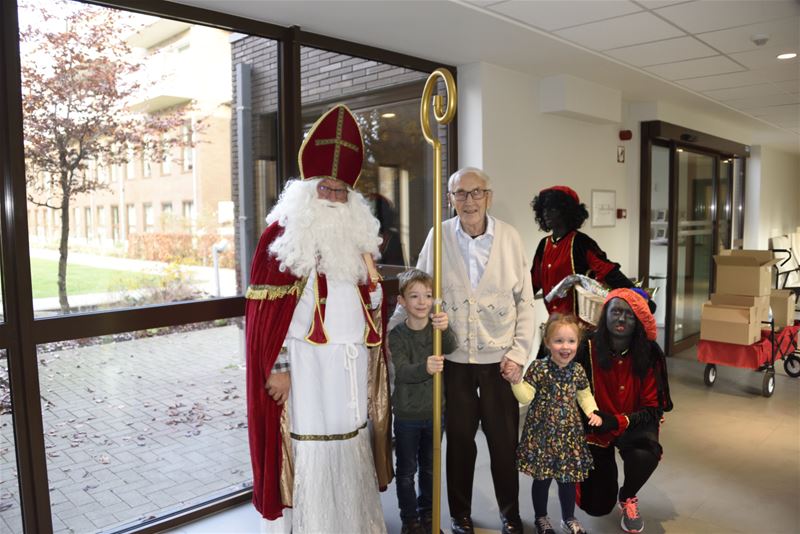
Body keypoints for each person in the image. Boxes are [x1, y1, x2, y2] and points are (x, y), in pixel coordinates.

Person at [244, 104, 392, 533]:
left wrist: (377, 288)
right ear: (306, 190)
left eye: (341, 190)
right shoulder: (282, 237)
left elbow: (371, 308)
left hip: (350, 366)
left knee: (350, 444)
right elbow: (264, 321)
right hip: (306, 367)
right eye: (324, 188)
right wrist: (279, 367)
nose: (332, 197)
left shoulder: (357, 241)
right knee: (310, 450)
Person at [392, 167, 536, 534]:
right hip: (452, 361)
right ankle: (460, 515)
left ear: (489, 196)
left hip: (499, 361)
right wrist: (390, 330)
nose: (469, 201)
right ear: (451, 198)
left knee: (504, 444)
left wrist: (519, 354)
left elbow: (526, 302)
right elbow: (416, 287)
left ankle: (509, 514)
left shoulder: (509, 238)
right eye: (461, 194)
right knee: (458, 443)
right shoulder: (438, 236)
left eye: (476, 193)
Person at [575, 288, 673, 534]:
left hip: (634, 423)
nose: (621, 319)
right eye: (616, 311)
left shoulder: (650, 352)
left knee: (645, 455)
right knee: (595, 506)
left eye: (629, 315)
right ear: (605, 314)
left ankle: (628, 496)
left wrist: (618, 421)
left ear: (638, 320)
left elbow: (653, 407)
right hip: (594, 427)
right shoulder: (584, 346)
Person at [512, 314, 602, 534]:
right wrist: (515, 381)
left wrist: (593, 411)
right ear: (547, 343)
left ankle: (568, 518)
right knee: (542, 480)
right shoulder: (539, 368)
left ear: (578, 344)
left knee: (567, 480)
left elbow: (585, 395)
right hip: (542, 435)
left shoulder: (578, 370)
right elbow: (525, 396)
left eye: (571, 341)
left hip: (569, 436)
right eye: (558, 340)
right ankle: (541, 518)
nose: (565, 346)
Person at [389, 268, 458, 534]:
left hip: (435, 413)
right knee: (407, 471)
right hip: (407, 416)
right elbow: (403, 371)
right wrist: (425, 368)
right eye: (414, 296)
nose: (422, 302)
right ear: (402, 301)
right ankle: (410, 520)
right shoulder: (397, 336)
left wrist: (446, 327)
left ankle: (428, 515)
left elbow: (451, 347)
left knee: (430, 469)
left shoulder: (435, 330)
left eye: (427, 296)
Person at [530, 186, 634, 317]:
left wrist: (636, 295)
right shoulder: (543, 245)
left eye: (552, 209)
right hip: (554, 323)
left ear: (565, 212)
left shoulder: (580, 242)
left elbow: (607, 271)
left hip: (580, 326)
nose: (546, 213)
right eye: (544, 209)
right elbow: (533, 282)